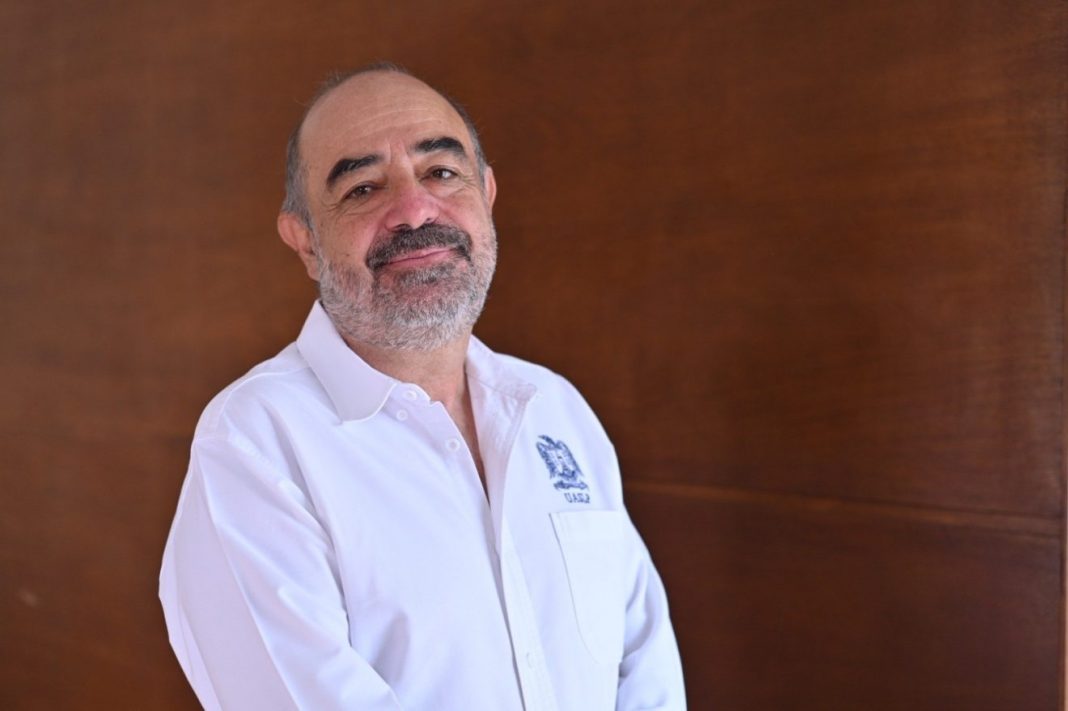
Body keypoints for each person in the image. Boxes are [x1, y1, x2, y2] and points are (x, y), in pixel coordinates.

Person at [159, 62, 686, 711]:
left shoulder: (554, 411)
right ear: (306, 242)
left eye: (441, 172)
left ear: (486, 194)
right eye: (362, 188)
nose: (413, 210)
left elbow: (647, 672)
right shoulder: (255, 445)